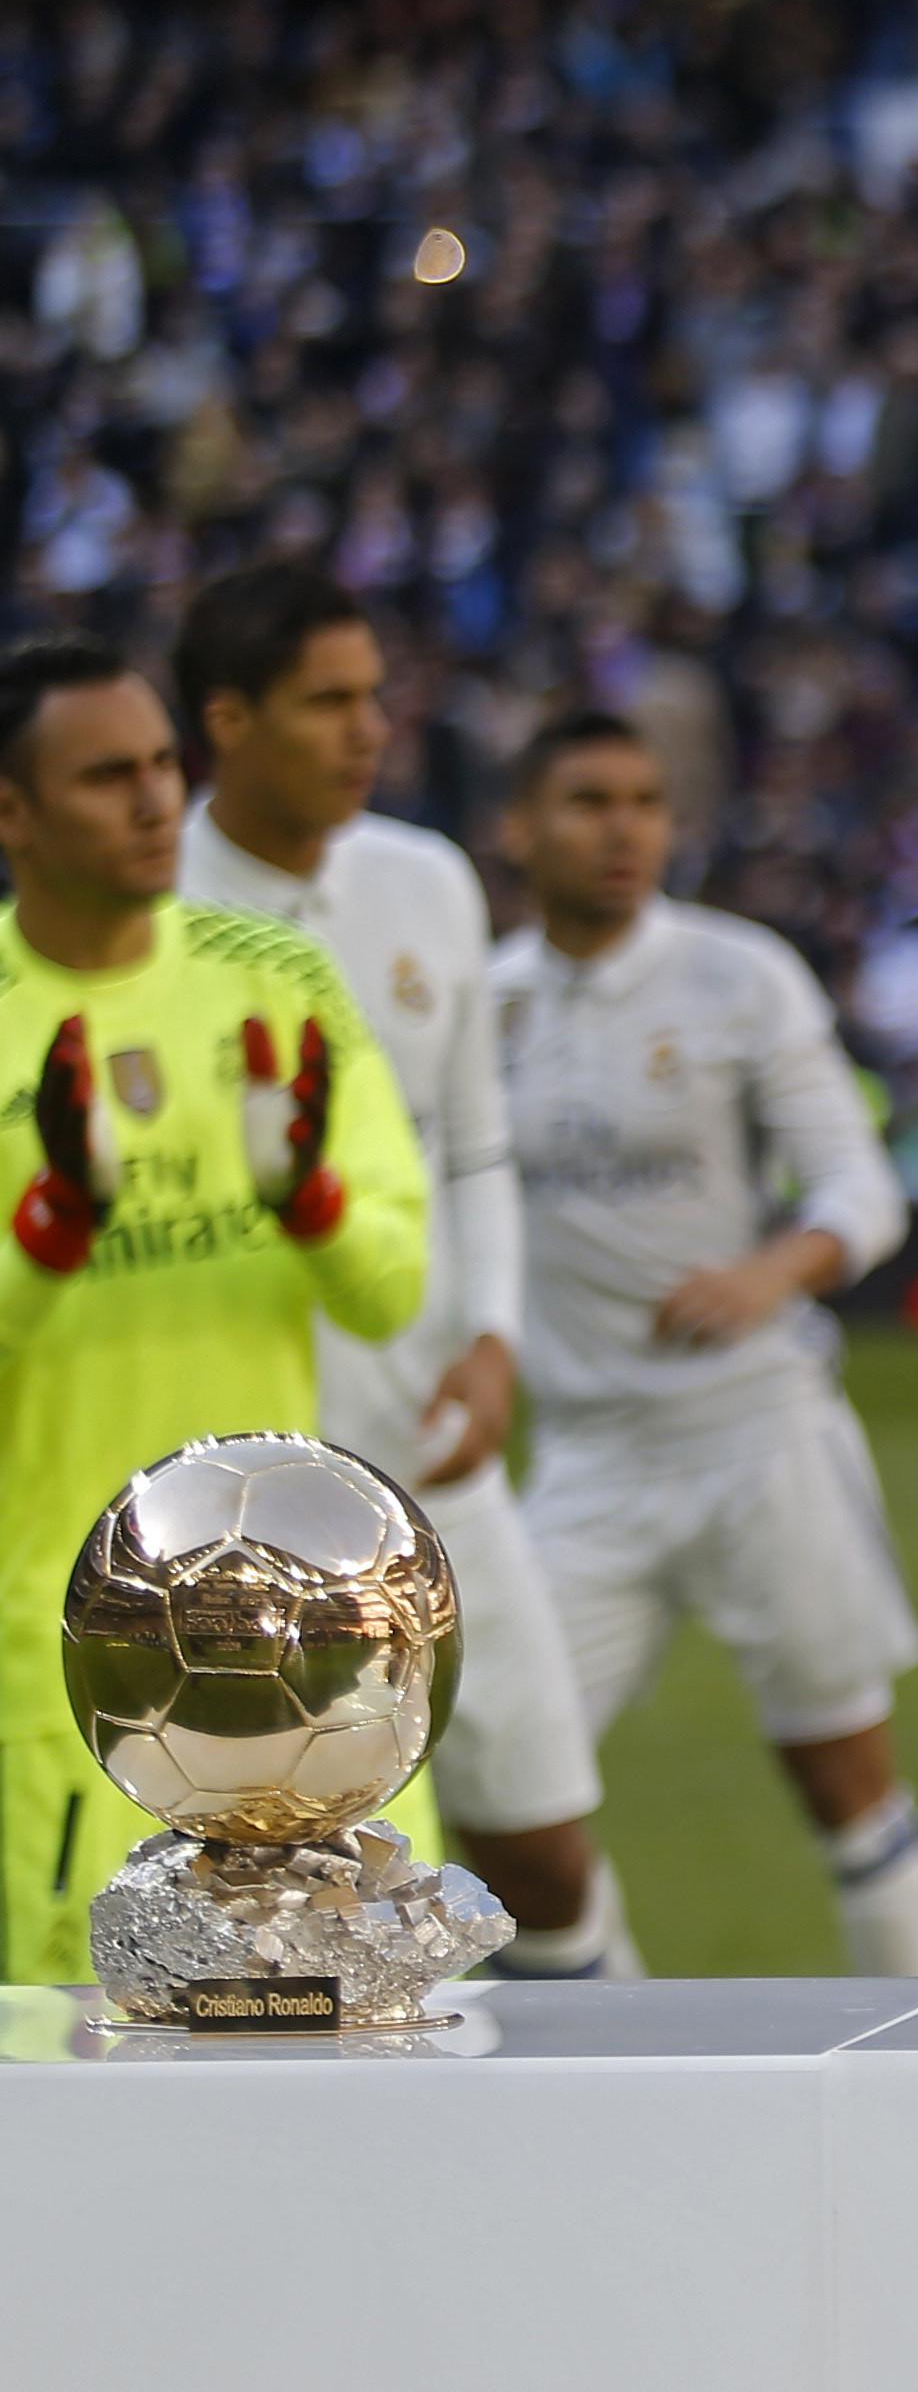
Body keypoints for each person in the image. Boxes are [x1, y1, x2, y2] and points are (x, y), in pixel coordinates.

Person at [175, 566, 629, 1977]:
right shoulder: (157, 917)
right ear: (229, 720)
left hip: (435, 1443)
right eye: (329, 701)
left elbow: (473, 1151)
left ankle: (645, 2115)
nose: (369, 727)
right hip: (250, 1491)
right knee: (290, 1893)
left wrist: (489, 1337)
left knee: (544, 1842)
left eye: (375, 695)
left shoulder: (422, 879)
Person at [0, 638, 431, 1982]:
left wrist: (306, 1201)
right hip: (67, 1643)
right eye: (105, 777)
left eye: (162, 768)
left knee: (366, 2022)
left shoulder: (275, 981)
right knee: (83, 2049)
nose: (150, 802)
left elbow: (389, 1287)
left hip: (306, 1620)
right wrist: (53, 1225)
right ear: (11, 813)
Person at [492, 712, 918, 1977]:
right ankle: (620, 2040)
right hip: (586, 1455)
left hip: (757, 1433)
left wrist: (769, 1271)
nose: (625, 825)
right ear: (518, 829)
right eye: (587, 799)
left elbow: (862, 1189)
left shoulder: (740, 977)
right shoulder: (485, 1006)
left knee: (843, 1779)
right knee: (498, 1778)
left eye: (645, 800)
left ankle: (913, 2071)